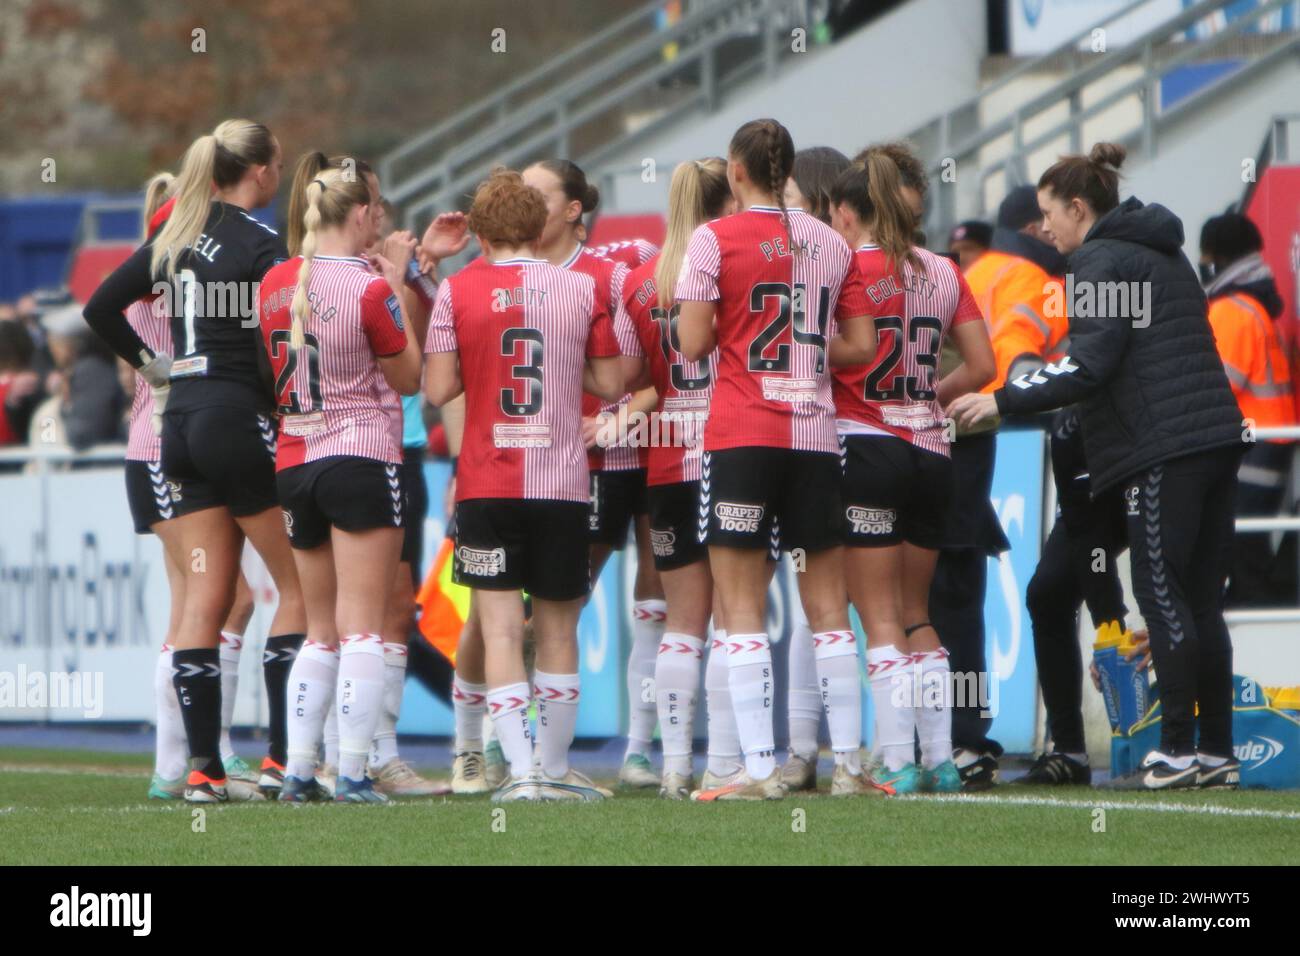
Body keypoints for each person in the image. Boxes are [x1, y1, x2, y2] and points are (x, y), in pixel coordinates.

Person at [950, 142, 1246, 790]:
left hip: (1162, 448)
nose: (1045, 228)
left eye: (1050, 214)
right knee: (1198, 601)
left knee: (1161, 590)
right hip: (1216, 438)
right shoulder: (1166, 253)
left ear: (1079, 208)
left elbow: (1090, 364)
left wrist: (999, 398)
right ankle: (1216, 751)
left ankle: (1173, 749)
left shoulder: (1098, 261)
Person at [83, 119, 306, 803]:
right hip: (236, 421)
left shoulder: (175, 234)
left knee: (205, 598)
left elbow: (99, 307)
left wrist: (156, 369)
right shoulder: (265, 246)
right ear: (262, 174)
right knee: (297, 587)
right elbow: (283, 344)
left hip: (176, 424)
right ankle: (281, 764)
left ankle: (203, 771)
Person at [676, 118, 877, 801]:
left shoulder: (712, 239)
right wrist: (805, 352)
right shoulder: (827, 241)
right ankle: (850, 765)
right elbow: (861, 343)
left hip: (741, 433)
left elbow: (693, 343)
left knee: (739, 608)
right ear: (785, 170)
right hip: (814, 437)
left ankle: (757, 770)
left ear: (736, 173)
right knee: (827, 606)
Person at [425, 168, 625, 802]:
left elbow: (435, 389)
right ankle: (557, 767)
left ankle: (520, 774)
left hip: (488, 480)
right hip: (564, 482)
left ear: (481, 230)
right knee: (559, 630)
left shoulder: (456, 292)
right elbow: (609, 380)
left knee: (502, 631)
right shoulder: (578, 288)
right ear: (539, 225)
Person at [830, 148, 996, 795]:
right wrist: (929, 396)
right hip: (931, 448)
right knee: (915, 611)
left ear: (851, 211)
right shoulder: (943, 270)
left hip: (866, 442)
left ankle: (897, 759)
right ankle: (942, 759)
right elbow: (982, 365)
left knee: (875, 617)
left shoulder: (846, 266)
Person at [258, 165, 423, 803]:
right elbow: (409, 379)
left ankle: (300, 771)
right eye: (376, 209)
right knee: (363, 628)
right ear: (357, 215)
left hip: (295, 460)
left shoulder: (275, 282)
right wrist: (396, 285)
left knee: (320, 627)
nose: (381, 220)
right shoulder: (367, 286)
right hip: (359, 456)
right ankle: (352, 771)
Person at [621, 157, 737, 798]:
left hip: (666, 463)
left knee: (682, 623)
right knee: (733, 618)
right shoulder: (729, 268)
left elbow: (630, 381)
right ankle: (723, 763)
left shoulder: (642, 282)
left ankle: (671, 768)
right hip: (726, 454)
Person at [777, 144, 851, 792]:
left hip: (837, 438)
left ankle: (826, 752)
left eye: (795, 198)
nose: (784, 210)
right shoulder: (839, 256)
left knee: (833, 607)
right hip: (842, 440)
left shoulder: (830, 256)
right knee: (826, 606)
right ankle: (827, 753)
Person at [1200, 212, 1297, 607]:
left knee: (1240, 550)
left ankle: (1255, 633)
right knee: (1247, 550)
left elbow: (1213, 392)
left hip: (1250, 449)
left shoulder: (1230, 312)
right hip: (1268, 446)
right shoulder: (1255, 309)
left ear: (1217, 258)